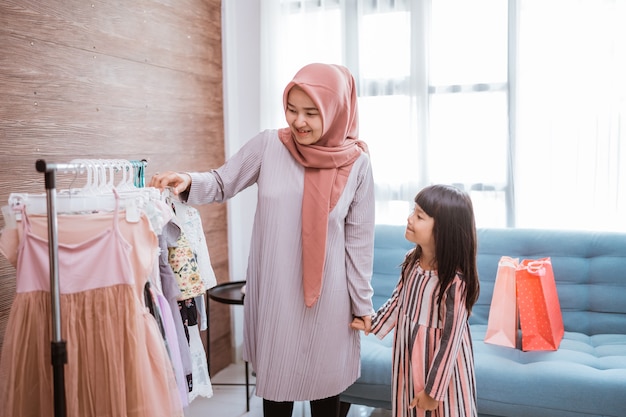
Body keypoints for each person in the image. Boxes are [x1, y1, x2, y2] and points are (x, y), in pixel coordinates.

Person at [150, 63, 376, 417]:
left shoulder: (358, 164)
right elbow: (223, 181)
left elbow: (359, 243)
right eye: (292, 109)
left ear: (335, 111)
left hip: (331, 300)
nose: (298, 121)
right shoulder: (270, 145)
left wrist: (362, 305)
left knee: (326, 395)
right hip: (276, 295)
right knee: (276, 395)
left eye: (311, 112)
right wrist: (188, 180)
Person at [351, 184, 480, 417]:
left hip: (439, 370)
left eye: (420, 216)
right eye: (413, 211)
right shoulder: (412, 260)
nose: (410, 219)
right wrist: (373, 322)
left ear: (444, 230)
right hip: (409, 357)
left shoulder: (454, 282)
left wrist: (433, 392)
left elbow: (451, 340)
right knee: (410, 408)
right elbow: (398, 300)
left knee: (444, 411)